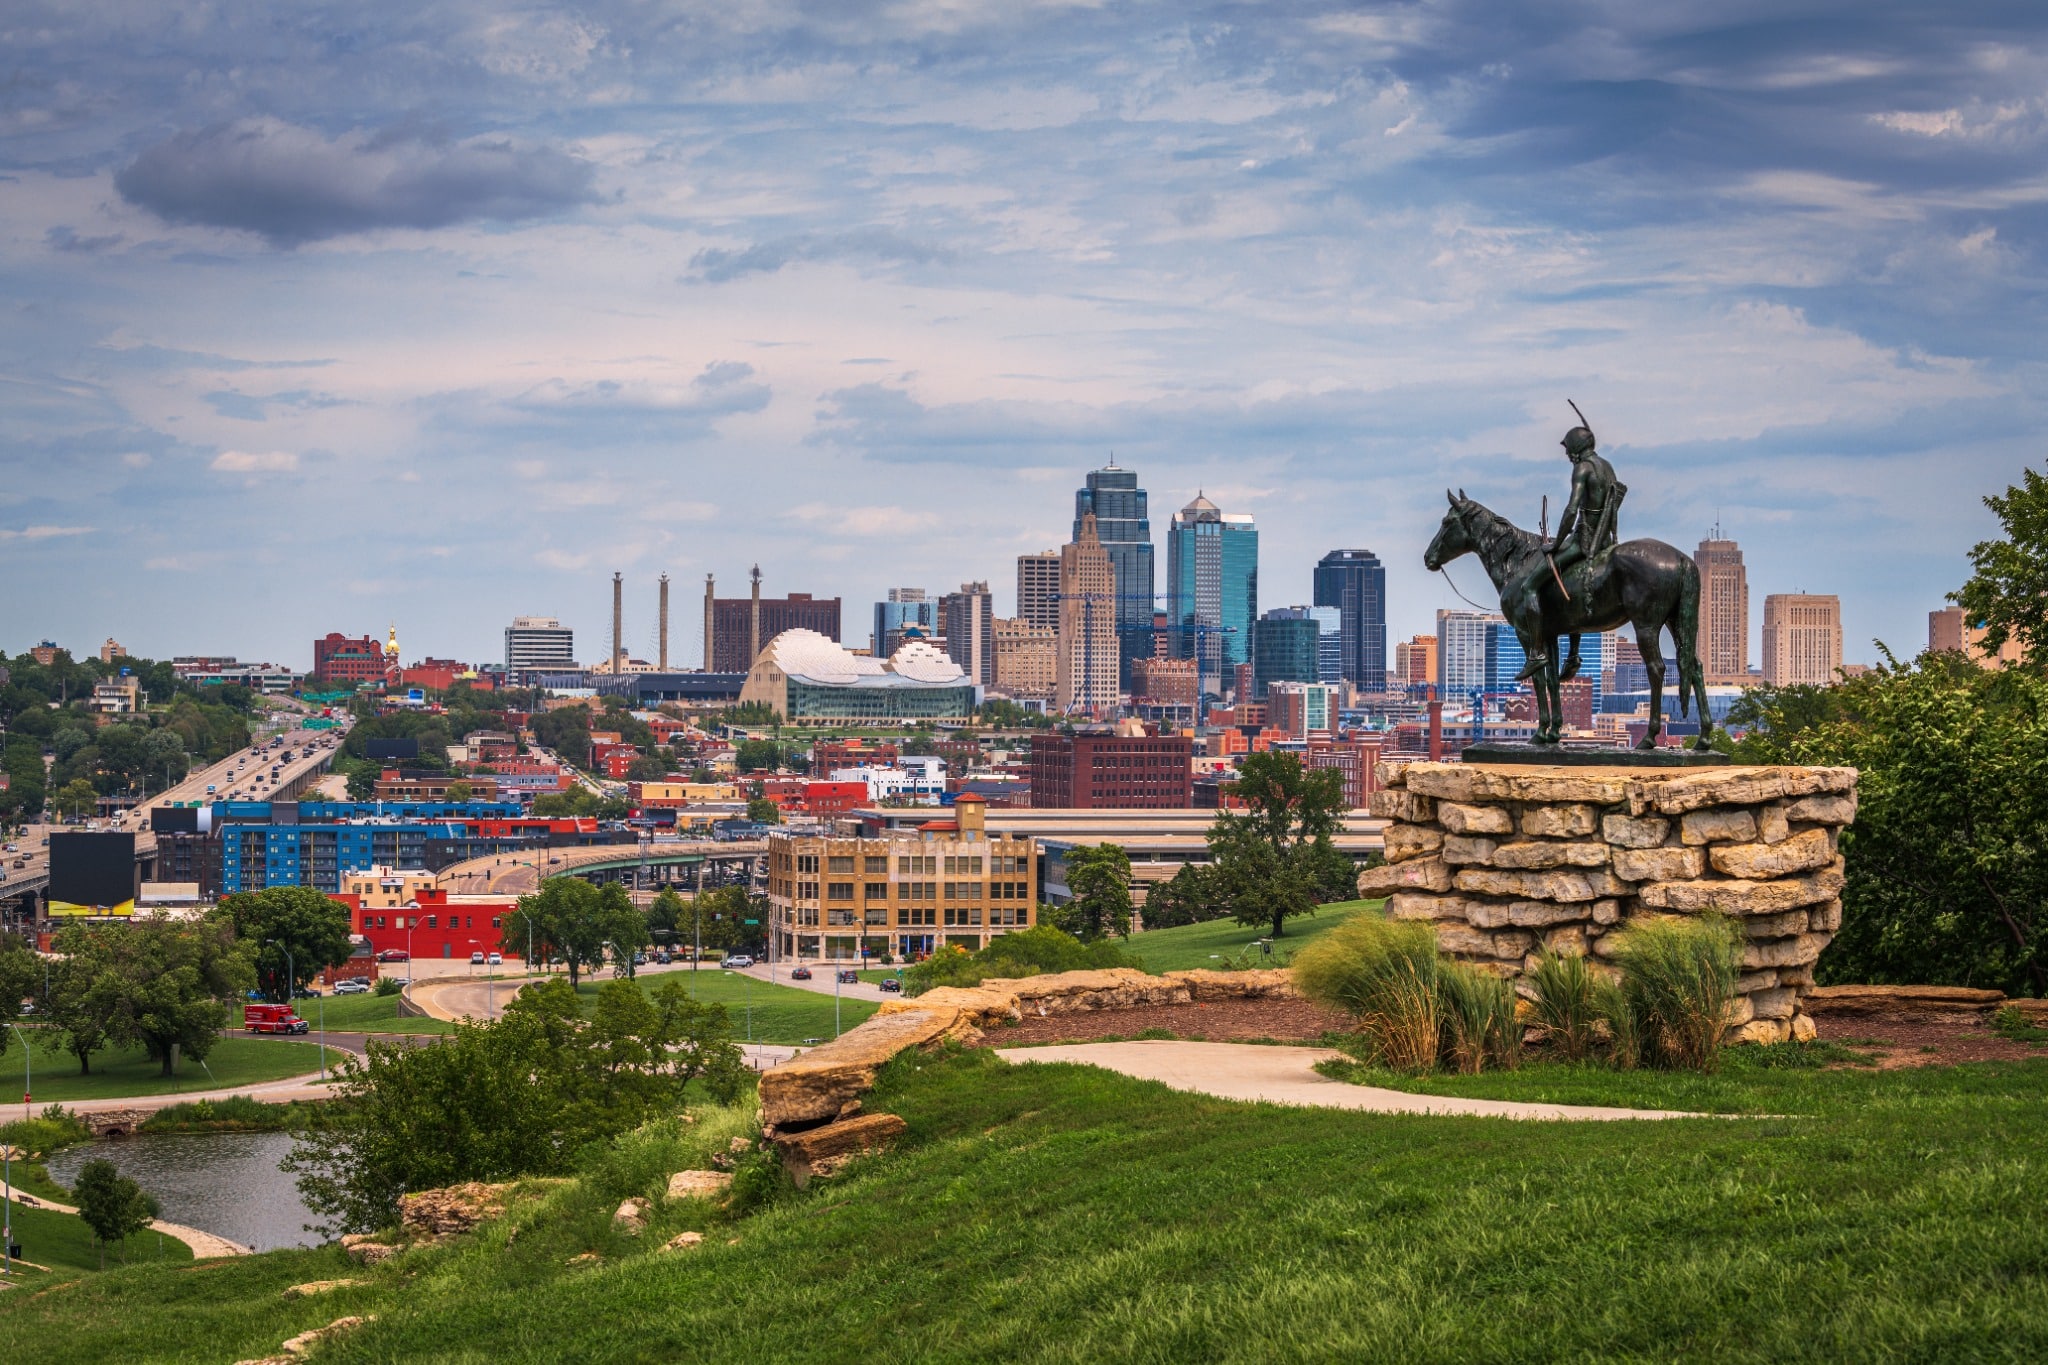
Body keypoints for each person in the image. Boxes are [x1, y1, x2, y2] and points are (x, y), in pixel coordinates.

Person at [1507, 419, 1626, 679]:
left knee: (1529, 586)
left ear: (1576, 447)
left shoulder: (1582, 469)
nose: (1567, 455)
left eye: (1568, 449)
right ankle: (1572, 656)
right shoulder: (1606, 467)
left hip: (1582, 541)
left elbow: (1572, 509)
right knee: (1568, 589)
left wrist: (1556, 544)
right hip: (1605, 540)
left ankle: (1537, 653)